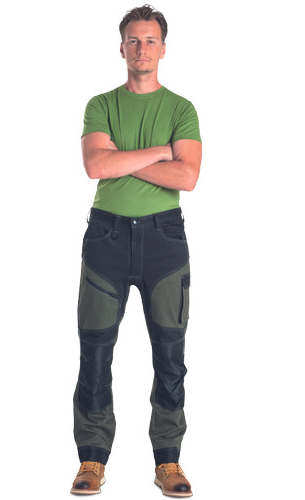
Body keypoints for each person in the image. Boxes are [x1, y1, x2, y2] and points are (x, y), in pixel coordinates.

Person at [71, 5, 202, 497]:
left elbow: (187, 176)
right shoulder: (101, 104)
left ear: (163, 49)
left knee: (170, 353)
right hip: (106, 236)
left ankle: (168, 461)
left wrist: (120, 159)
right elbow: (95, 167)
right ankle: (92, 458)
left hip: (164, 240)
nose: (141, 48)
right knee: (95, 350)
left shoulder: (182, 108)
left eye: (150, 41)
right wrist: (161, 151)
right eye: (133, 40)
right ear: (121, 47)